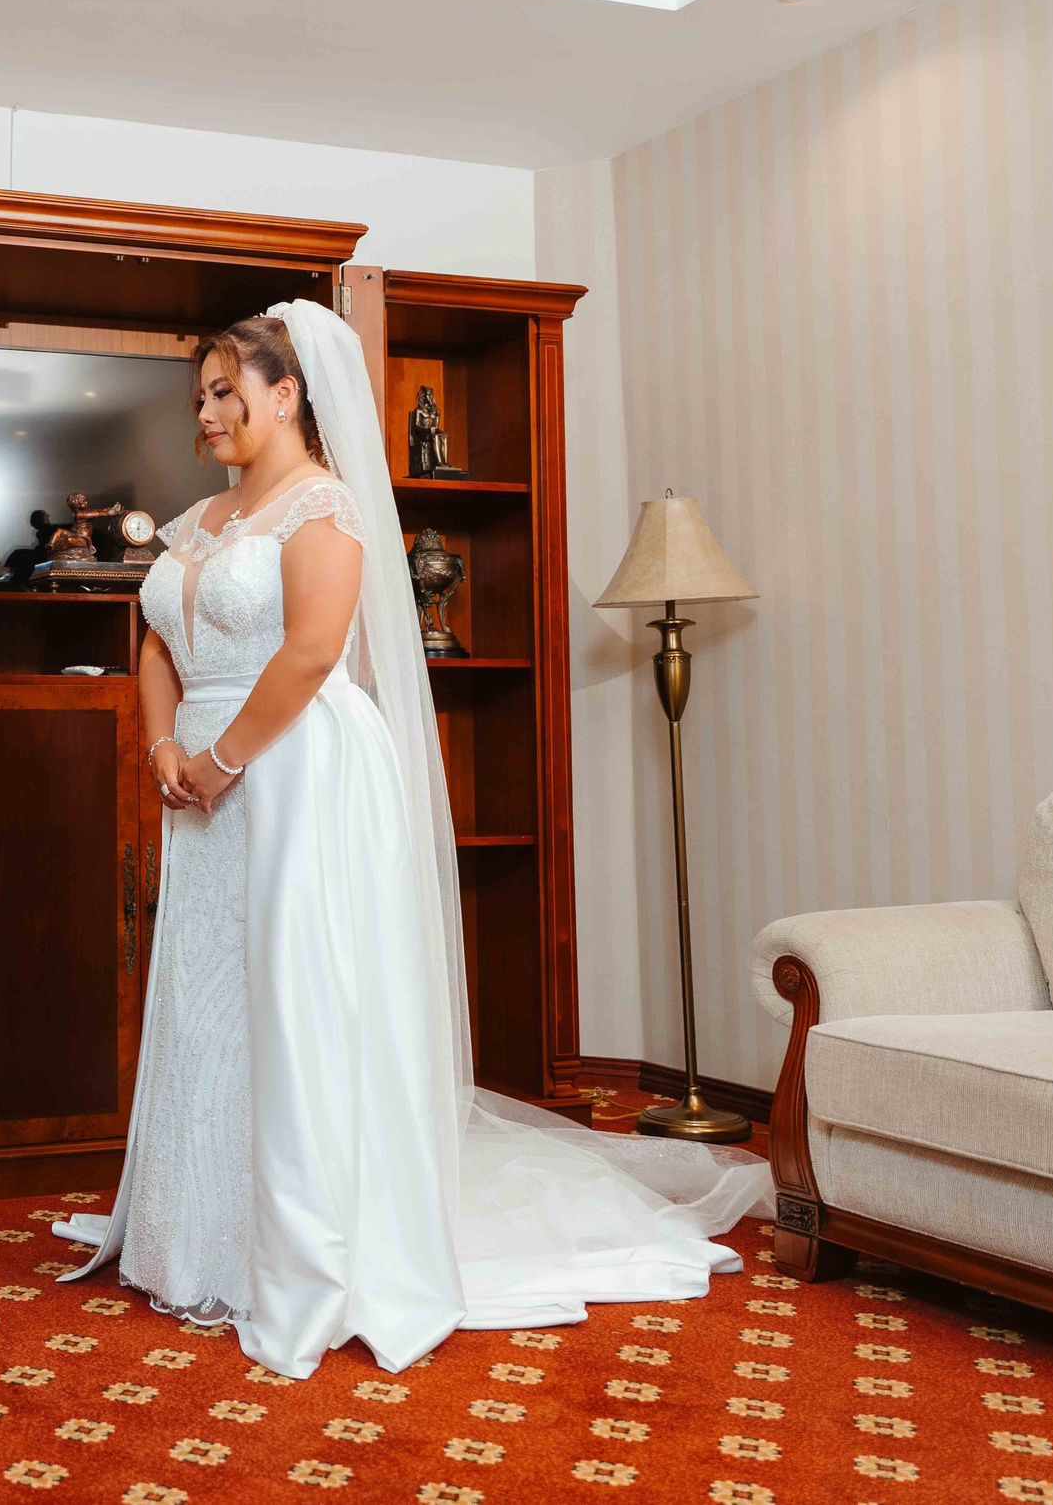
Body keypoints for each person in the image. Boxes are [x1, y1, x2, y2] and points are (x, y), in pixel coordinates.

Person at [55, 303, 771, 1379]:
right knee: (209, 994)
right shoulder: (198, 520)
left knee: (297, 997)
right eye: (197, 395)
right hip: (197, 781)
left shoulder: (327, 507)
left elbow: (307, 654)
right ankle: (191, 1235)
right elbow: (152, 638)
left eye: (222, 391)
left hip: (291, 771)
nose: (203, 413)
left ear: (286, 393)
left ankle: (302, 1243)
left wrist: (220, 762)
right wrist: (160, 744)